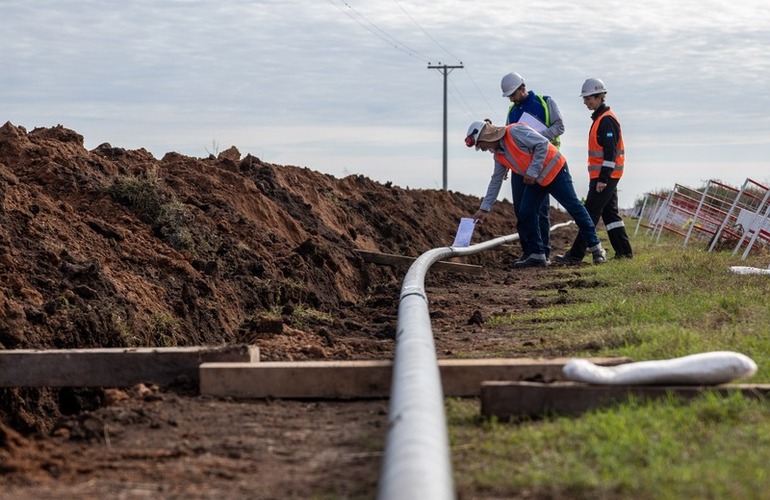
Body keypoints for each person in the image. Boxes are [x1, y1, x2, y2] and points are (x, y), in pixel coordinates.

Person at [466, 120, 606, 268]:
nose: (482, 149)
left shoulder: (514, 131)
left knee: (574, 208)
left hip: (555, 171)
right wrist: (484, 208)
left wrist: (532, 172)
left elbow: (542, 144)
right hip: (537, 180)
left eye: (480, 145)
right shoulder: (499, 155)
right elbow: (496, 180)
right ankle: (537, 255)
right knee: (526, 212)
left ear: (487, 136)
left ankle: (597, 249)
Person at [555, 78, 633, 264]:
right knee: (610, 215)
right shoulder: (601, 118)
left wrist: (603, 179)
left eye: (588, 98)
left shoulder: (606, 120)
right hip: (605, 175)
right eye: (585, 98)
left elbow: (610, 153)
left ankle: (575, 255)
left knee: (589, 213)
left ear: (599, 97)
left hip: (604, 176)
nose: (585, 102)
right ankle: (624, 252)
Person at [497, 72, 565, 263]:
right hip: (520, 168)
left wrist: (538, 138)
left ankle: (544, 252)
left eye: (513, 94)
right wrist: (506, 166)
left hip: (542, 165)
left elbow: (559, 126)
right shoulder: (512, 111)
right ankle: (529, 252)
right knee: (521, 211)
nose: (511, 98)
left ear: (522, 88)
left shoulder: (545, 102)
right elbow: (507, 139)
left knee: (540, 211)